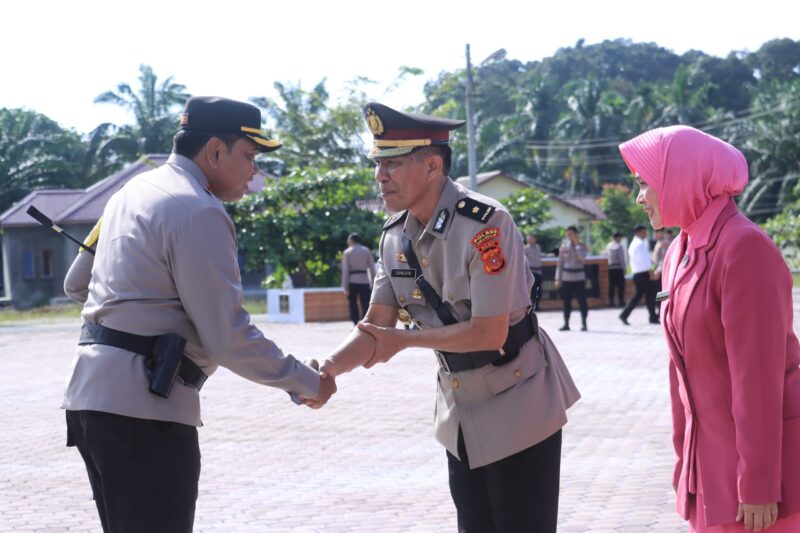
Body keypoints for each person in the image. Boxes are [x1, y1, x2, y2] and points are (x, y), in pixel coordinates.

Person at [61, 96, 336, 533]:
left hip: (91, 401)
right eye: (248, 156)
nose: (255, 171)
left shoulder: (130, 192)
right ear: (213, 151)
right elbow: (227, 335)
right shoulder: (199, 209)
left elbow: (76, 285)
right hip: (145, 414)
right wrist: (304, 382)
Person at [309, 102, 580, 533]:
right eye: (378, 163)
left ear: (432, 165)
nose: (380, 175)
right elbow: (377, 327)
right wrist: (328, 369)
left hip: (519, 400)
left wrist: (405, 342)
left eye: (393, 164)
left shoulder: (486, 224)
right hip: (461, 410)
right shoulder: (394, 236)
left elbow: (489, 331)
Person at [619, 125, 800, 532]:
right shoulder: (679, 250)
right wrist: (685, 462)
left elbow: (757, 379)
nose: (640, 197)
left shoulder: (744, 248)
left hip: (757, 481)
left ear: (680, 176)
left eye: (646, 183)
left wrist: (758, 483)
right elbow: (678, 371)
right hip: (708, 466)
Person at [619, 224, 659, 325]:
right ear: (638, 232)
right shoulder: (639, 244)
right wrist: (650, 272)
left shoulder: (635, 243)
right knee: (652, 294)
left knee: (640, 296)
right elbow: (644, 261)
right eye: (644, 231)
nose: (645, 233)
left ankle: (625, 314)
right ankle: (653, 316)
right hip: (643, 274)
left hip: (638, 273)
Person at [554, 226, 589, 331]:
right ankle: (566, 324)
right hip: (567, 277)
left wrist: (577, 245)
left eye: (571, 234)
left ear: (576, 234)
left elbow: (583, 260)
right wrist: (557, 279)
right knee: (566, 301)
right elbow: (560, 264)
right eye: (568, 234)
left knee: (582, 301)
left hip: (579, 277)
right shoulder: (564, 247)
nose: (569, 236)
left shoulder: (583, 247)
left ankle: (584, 323)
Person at [341, 232, 376, 324]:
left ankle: (355, 322)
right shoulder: (366, 251)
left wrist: (345, 287)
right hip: (364, 280)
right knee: (365, 302)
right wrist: (374, 282)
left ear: (351, 240)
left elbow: (345, 270)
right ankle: (366, 322)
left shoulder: (347, 252)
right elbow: (372, 268)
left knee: (353, 303)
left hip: (352, 281)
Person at [606, 231, 626, 307]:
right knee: (620, 286)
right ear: (618, 237)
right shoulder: (619, 246)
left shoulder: (608, 246)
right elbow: (622, 259)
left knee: (611, 286)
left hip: (611, 268)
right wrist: (624, 268)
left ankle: (611, 302)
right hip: (618, 268)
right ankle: (621, 302)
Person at [524, 233, 543, 310]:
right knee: (531, 289)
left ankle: (537, 305)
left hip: (538, 271)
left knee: (539, 289)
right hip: (530, 271)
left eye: (531, 239)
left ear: (535, 239)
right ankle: (531, 306)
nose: (530, 241)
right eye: (528, 239)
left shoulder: (538, 247)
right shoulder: (525, 249)